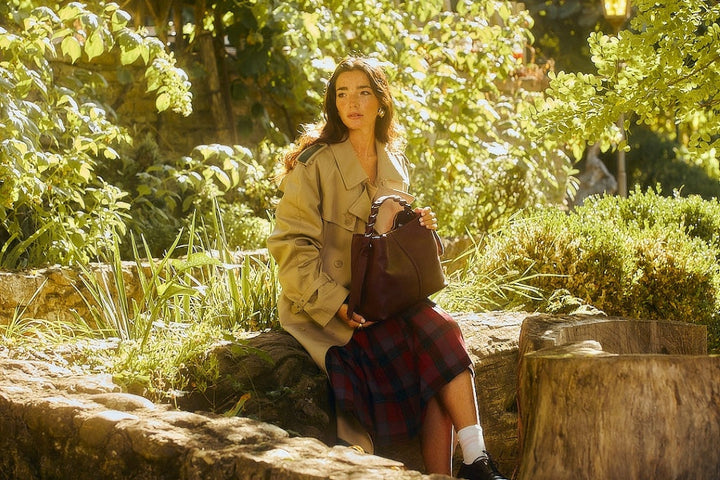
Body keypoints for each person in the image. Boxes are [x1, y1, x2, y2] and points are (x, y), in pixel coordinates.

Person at [267, 55, 508, 480]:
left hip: (386, 300)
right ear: (333, 104)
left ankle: (475, 461)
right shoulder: (314, 165)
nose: (351, 102)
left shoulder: (396, 164)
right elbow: (290, 249)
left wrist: (423, 230)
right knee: (428, 361)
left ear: (380, 102)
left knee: (442, 334)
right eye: (342, 94)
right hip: (334, 313)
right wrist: (337, 302)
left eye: (362, 92)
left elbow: (394, 250)